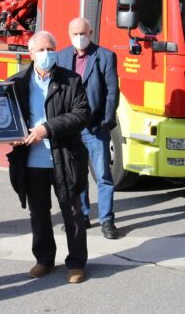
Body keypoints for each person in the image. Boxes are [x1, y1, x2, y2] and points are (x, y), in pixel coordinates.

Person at [7, 31, 91, 284]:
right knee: (39, 213)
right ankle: (44, 259)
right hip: (31, 161)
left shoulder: (71, 80)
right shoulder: (16, 82)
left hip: (64, 158)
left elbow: (81, 114)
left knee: (72, 213)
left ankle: (76, 263)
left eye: (51, 49)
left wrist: (47, 128)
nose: (47, 54)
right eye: (42, 50)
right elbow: (5, 117)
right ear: (30, 54)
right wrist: (11, 134)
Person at [58, 17, 120, 239]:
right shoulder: (61, 56)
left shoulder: (105, 56)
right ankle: (83, 216)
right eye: (75, 34)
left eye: (83, 33)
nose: (79, 38)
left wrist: (105, 121)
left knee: (103, 175)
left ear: (91, 33)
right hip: (71, 128)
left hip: (96, 127)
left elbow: (112, 92)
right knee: (78, 175)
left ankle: (107, 220)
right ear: (69, 34)